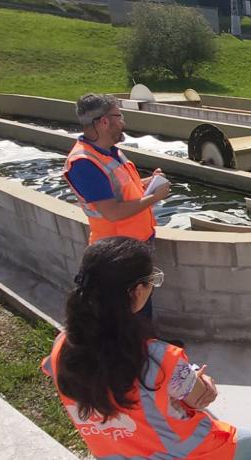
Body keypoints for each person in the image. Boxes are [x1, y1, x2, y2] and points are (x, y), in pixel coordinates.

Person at [41, 237, 251, 460]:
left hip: (117, 453)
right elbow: (202, 397)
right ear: (135, 291)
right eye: (151, 280)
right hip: (183, 454)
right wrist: (201, 382)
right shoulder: (159, 359)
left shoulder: (61, 348)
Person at [63, 93, 169, 320]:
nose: (123, 122)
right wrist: (154, 197)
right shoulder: (84, 163)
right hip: (118, 251)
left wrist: (146, 184)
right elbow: (111, 212)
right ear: (103, 122)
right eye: (119, 116)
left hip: (136, 243)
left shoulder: (110, 150)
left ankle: (146, 345)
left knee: (142, 304)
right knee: (127, 309)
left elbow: (122, 190)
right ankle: (135, 350)